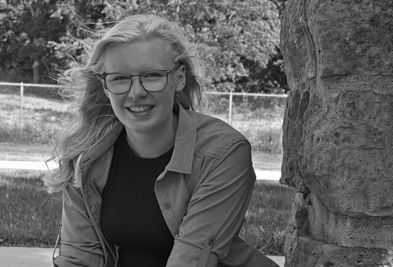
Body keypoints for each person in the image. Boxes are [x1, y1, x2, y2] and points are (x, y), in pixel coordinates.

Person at [45, 14, 279, 267]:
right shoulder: (87, 156)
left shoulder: (223, 152)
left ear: (179, 78)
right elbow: (78, 258)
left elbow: (191, 260)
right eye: (120, 78)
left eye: (152, 75)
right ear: (105, 86)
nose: (136, 93)